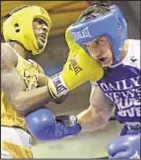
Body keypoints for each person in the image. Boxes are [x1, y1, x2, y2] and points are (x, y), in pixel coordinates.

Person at [25, 2, 141, 159]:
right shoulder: (98, 70)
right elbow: (98, 114)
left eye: (99, 41)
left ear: (117, 31)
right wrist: (65, 127)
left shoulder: (138, 53)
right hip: (130, 135)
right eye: (88, 46)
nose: (94, 53)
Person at [1, 5, 54, 158]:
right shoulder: (4, 51)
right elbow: (19, 101)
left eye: (46, 26)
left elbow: (61, 95)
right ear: (17, 25)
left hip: (23, 139)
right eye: (39, 22)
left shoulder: (35, 68)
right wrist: (58, 85)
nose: (44, 28)